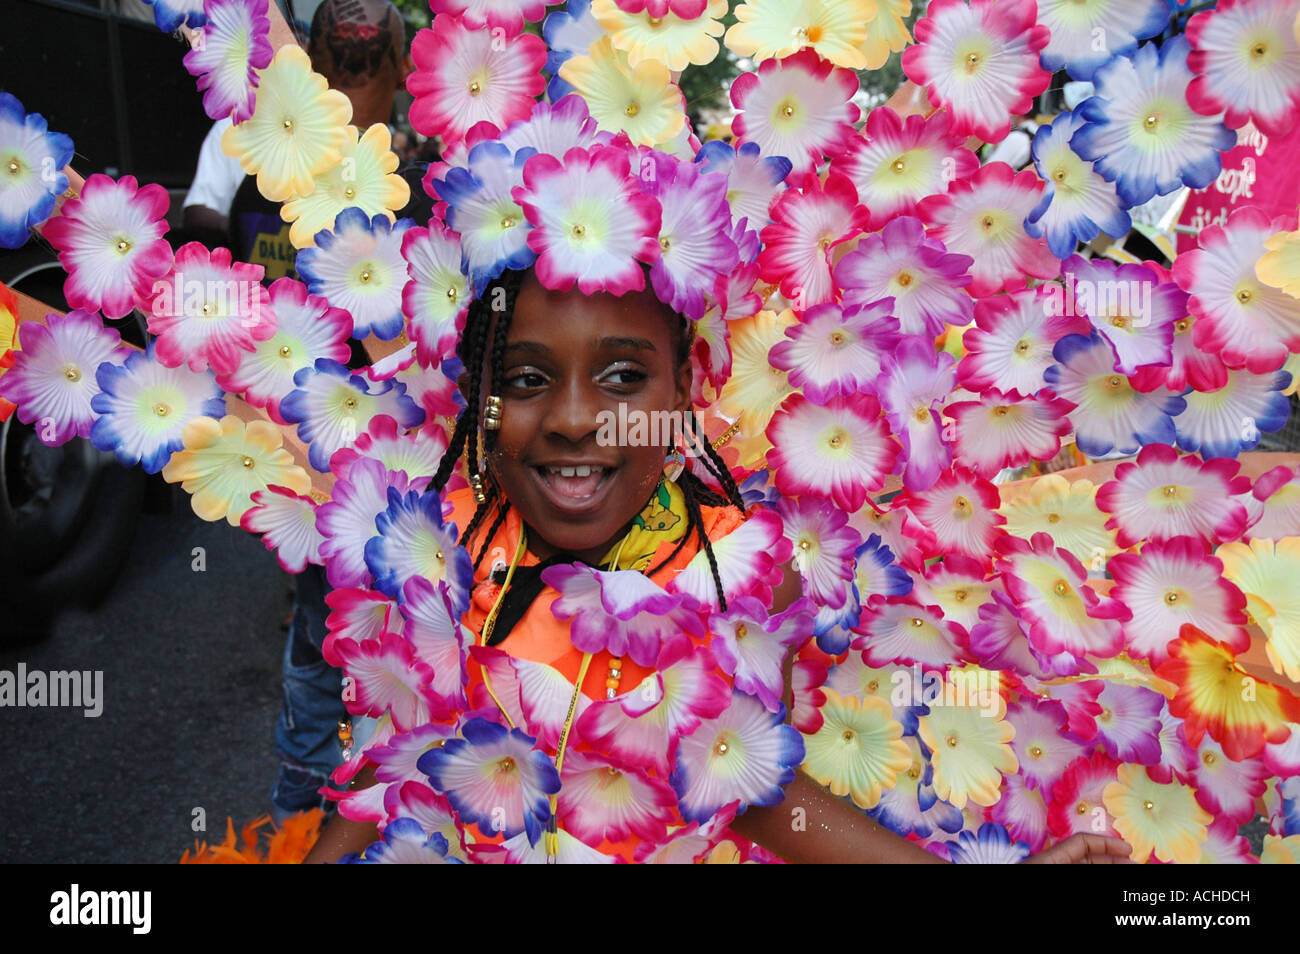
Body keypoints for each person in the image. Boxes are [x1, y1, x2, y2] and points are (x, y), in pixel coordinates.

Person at [302, 264, 1133, 864]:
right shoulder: (435, 551)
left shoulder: (737, 572)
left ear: (682, 396)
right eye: (527, 379)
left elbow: (758, 797)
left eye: (624, 377)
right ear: (483, 397)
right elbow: (391, 772)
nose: (573, 419)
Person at [264, 0, 425, 825]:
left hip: (305, 454)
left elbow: (208, 255)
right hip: (421, 463)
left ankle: (305, 815)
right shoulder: (438, 168)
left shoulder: (269, 155)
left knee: (321, 628)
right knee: (419, 635)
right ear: (402, 66)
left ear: (313, 66)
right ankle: (396, 805)